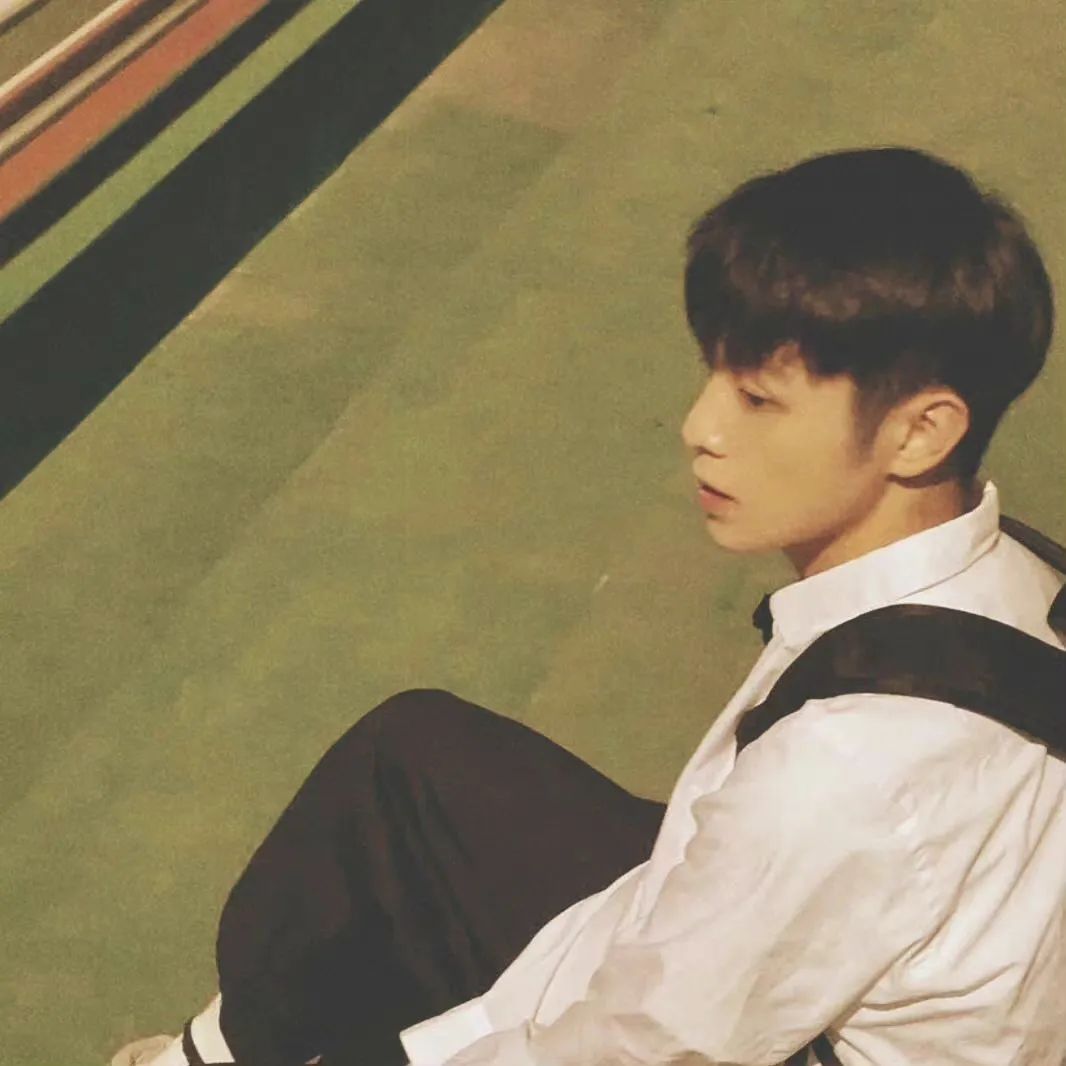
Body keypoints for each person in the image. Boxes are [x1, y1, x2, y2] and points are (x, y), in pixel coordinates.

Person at [113, 146, 1066, 1066]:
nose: (699, 427)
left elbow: (640, 1047)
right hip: (751, 957)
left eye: (757, 399)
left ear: (920, 431)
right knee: (408, 763)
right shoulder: (1020, 579)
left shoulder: (845, 769)